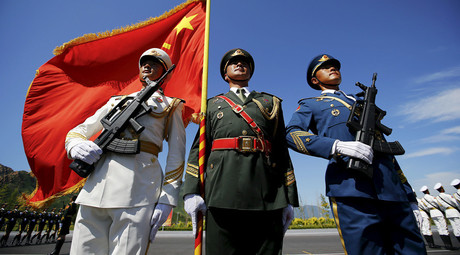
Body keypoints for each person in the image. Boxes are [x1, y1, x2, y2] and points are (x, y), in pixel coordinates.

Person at [285, 54, 426, 254]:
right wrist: (336, 146)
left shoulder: (360, 101)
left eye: (335, 66)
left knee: (413, 251)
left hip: (392, 189)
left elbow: (387, 152)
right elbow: (291, 134)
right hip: (351, 187)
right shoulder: (312, 104)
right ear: (314, 80)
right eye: (325, 67)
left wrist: (410, 196)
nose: (333, 68)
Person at [65, 48, 186, 254]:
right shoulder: (116, 101)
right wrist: (75, 145)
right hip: (96, 189)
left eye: (155, 64)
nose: (147, 66)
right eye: (144, 63)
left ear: (165, 73)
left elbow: (176, 156)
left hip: (138, 192)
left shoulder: (170, 106)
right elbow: (79, 131)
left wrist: (167, 199)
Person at [183, 48, 299, 255]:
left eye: (244, 62)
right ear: (225, 74)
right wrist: (191, 191)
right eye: (233, 62)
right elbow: (199, 149)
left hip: (268, 193)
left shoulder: (269, 102)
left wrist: (289, 198)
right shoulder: (210, 105)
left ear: (251, 72)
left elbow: (282, 150)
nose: (240, 64)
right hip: (221, 192)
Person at [420, 185, 455, 249]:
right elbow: (439, 204)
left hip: (432, 213)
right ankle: (448, 245)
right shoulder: (431, 197)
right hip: (437, 212)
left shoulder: (423, 199)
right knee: (444, 228)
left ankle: (443, 244)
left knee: (439, 228)